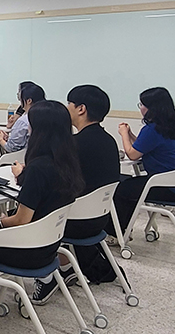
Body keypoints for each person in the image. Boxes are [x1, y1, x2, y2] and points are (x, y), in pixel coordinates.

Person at [0, 101, 84, 332]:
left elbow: (21, 220)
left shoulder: (38, 168)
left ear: (41, 131)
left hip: (25, 250)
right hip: (48, 247)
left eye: (31, 126)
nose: (28, 131)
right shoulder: (68, 162)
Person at [32, 85, 120, 304]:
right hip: (98, 220)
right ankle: (66, 265)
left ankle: (46, 276)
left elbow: (50, 181)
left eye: (69, 103)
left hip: (70, 222)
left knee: (30, 210)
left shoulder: (75, 145)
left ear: (81, 108)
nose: (66, 108)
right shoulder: (109, 141)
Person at [108, 87, 175, 240]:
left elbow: (132, 154)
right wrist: (131, 134)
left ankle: (116, 233)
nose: (140, 108)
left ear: (152, 108)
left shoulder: (152, 129)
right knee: (131, 186)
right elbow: (142, 146)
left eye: (142, 104)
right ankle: (124, 229)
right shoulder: (167, 127)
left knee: (122, 189)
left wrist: (124, 134)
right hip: (170, 182)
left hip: (163, 186)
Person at [0, 82, 46, 153]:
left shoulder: (24, 120)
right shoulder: (46, 116)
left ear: (29, 101)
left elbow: (11, 148)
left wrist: (0, 139)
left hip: (21, 159)